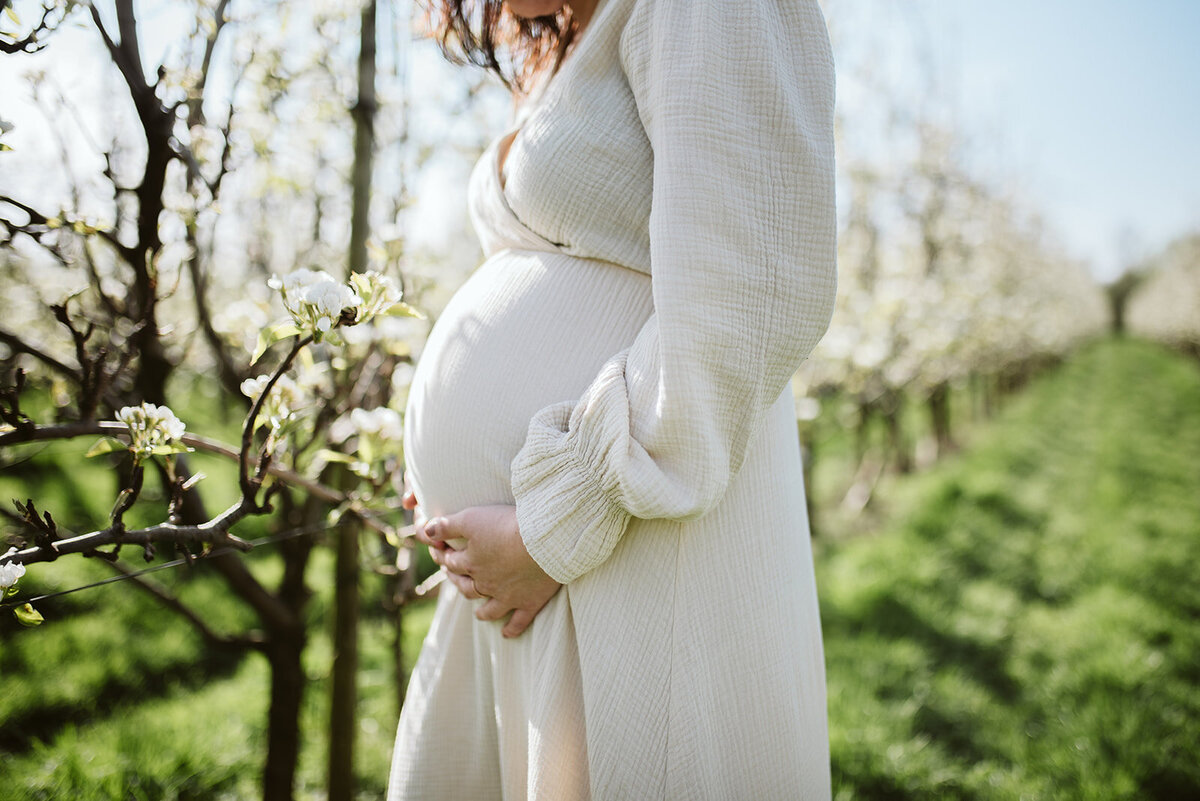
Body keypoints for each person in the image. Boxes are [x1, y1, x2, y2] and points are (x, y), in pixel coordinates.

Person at [387, 0, 838, 798]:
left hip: (628, 552)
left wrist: (554, 521)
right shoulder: (570, 35)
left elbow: (755, 284)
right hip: (545, 568)